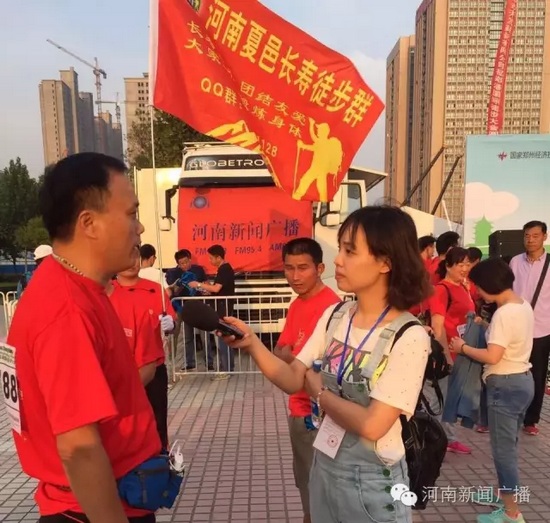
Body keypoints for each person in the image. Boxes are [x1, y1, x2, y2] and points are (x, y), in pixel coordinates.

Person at [219, 206, 431, 522]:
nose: (338, 260)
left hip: (373, 484)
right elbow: (293, 378)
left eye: (350, 251)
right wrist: (251, 343)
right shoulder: (336, 316)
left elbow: (373, 425)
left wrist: (320, 394)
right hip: (325, 466)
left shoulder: (409, 335)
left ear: (385, 262)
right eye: (340, 249)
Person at [6, 153, 160, 522]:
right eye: (131, 214)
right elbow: (79, 448)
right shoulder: (66, 310)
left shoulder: (76, 288)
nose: (139, 228)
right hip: (91, 510)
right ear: (89, 223)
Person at [450, 258, 534, 523]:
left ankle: (511, 513)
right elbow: (509, 340)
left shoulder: (503, 314)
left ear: (489, 284)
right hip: (523, 381)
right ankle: (504, 496)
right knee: (510, 444)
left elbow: (493, 356)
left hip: (505, 386)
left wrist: (462, 347)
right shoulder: (521, 305)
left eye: (478, 286)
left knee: (503, 451)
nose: (477, 292)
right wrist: (486, 327)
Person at [274, 238, 340, 523]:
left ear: (320, 268)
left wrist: (292, 357)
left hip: (323, 414)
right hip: (299, 410)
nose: (295, 276)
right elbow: (280, 349)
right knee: (307, 488)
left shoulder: (333, 309)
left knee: (324, 494)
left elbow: (320, 367)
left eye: (303, 268)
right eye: (289, 268)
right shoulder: (297, 304)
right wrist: (294, 358)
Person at [110, 258, 176, 449]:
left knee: (157, 421)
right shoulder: (107, 291)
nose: (131, 263)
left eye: (135, 257)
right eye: (126, 258)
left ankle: (160, 457)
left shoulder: (154, 289)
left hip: (153, 368)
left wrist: (171, 324)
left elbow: (171, 317)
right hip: (120, 371)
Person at [426, 247, 474, 455]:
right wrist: (446, 357)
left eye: (467, 264)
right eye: (460, 264)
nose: (465, 268)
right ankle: (436, 439)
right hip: (448, 354)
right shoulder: (441, 290)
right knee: (440, 398)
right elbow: (438, 326)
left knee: (450, 398)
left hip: (461, 351)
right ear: (448, 266)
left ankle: (448, 438)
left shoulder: (462, 287)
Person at [509, 220, 550, 436]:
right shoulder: (515, 261)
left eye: (535, 236)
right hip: (515, 328)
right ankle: (511, 414)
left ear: (544, 236)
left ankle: (531, 420)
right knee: (512, 372)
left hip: (542, 328)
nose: (530, 240)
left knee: (537, 375)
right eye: (527, 236)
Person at [189, 244, 235, 379]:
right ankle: (228, 368)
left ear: (218, 257)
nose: (209, 261)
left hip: (223, 309)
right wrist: (208, 289)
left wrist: (198, 284)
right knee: (224, 339)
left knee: (222, 340)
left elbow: (216, 289)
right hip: (222, 307)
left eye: (211, 258)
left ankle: (225, 370)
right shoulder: (223, 269)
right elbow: (217, 289)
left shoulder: (224, 269)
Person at [165, 249, 207, 371]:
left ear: (190, 260)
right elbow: (172, 290)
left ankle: (208, 363)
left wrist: (204, 288)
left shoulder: (198, 270)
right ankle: (173, 362)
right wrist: (180, 284)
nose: (185, 265)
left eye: (186, 262)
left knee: (204, 335)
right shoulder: (173, 273)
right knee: (177, 334)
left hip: (197, 305)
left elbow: (205, 283)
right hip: (179, 307)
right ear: (178, 264)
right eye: (182, 263)